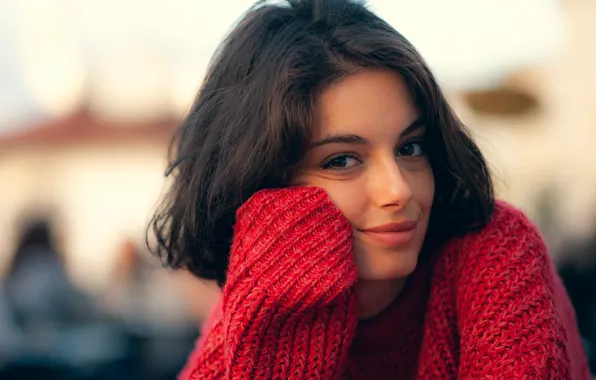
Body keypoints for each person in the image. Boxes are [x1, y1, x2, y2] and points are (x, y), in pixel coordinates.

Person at [148, 0, 591, 378]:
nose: (398, 189)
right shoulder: (251, 316)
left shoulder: (492, 248)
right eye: (342, 160)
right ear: (264, 190)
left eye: (411, 147)